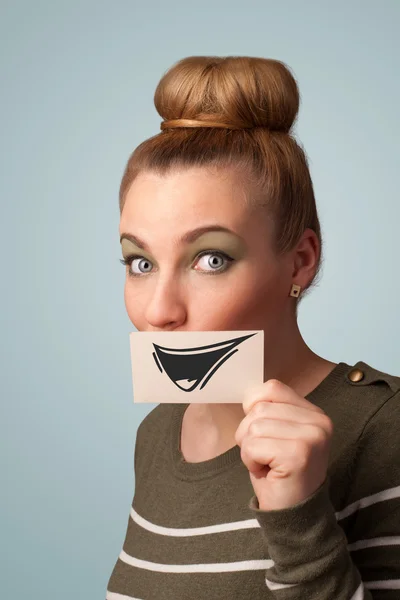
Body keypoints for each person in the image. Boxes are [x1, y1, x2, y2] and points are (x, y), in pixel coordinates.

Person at [106, 56, 400, 599]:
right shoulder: (155, 437)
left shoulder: (385, 430)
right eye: (140, 263)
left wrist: (298, 518)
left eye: (210, 259)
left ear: (300, 261)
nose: (160, 311)